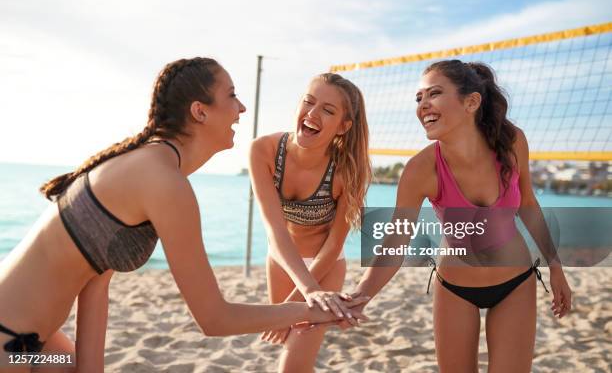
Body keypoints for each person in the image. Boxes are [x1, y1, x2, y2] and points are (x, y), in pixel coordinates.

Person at [0, 58, 366, 373]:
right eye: (232, 96)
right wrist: (319, 310)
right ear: (200, 111)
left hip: (37, 345)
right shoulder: (163, 181)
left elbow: (96, 279)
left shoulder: (148, 167)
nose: (242, 109)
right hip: (10, 346)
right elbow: (214, 319)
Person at [331, 60, 572, 372]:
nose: (423, 105)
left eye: (434, 94)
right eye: (419, 98)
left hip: (516, 282)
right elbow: (396, 241)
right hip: (455, 288)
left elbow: (528, 204)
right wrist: (360, 295)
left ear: (471, 102)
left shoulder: (512, 142)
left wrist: (556, 267)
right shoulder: (420, 169)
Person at [249, 72, 371, 372]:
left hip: (324, 268)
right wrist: (287, 307)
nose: (313, 113)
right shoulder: (262, 151)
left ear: (343, 126)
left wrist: (300, 295)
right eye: (309, 102)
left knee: (292, 363)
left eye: (328, 110)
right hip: (282, 260)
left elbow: (334, 246)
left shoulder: (346, 172)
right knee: (295, 355)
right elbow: (274, 230)